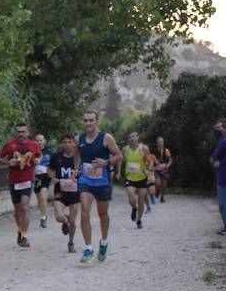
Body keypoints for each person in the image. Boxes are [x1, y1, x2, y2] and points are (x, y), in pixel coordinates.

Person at [77, 110, 122, 263]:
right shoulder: (80, 139)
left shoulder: (106, 138)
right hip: (85, 181)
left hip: (102, 182)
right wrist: (77, 168)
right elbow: (78, 155)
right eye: (85, 120)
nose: (88, 123)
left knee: (103, 214)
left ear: (97, 121)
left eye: (91, 120)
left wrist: (106, 163)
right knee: (84, 211)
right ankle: (88, 248)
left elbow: (119, 155)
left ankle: (103, 242)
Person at [0, 121, 42, 247]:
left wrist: (38, 160)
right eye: (19, 132)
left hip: (27, 179)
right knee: (17, 209)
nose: (21, 134)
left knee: (24, 207)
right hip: (14, 180)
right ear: (16, 133)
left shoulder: (33, 144)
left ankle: (24, 235)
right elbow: (0, 159)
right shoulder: (10, 145)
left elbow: (39, 155)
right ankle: (20, 230)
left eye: (23, 132)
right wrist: (8, 162)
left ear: (28, 132)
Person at [47, 134, 80, 253]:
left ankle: (71, 242)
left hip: (75, 192)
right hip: (60, 191)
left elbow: (86, 172)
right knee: (59, 217)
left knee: (73, 221)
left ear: (74, 144)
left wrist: (79, 178)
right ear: (62, 144)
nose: (67, 145)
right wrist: (53, 178)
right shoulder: (56, 157)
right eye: (65, 142)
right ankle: (65, 221)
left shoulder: (79, 158)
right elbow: (49, 170)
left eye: (70, 142)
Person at [121, 131, 150, 229]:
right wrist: (117, 171)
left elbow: (150, 161)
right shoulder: (125, 149)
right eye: (130, 137)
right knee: (131, 199)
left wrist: (148, 169)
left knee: (141, 201)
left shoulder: (144, 148)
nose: (132, 139)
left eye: (133, 136)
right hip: (130, 178)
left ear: (138, 137)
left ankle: (139, 220)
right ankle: (134, 208)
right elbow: (121, 160)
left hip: (142, 178)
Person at [33, 133, 54, 228]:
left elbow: (54, 165)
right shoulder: (32, 152)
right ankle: (43, 213)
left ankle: (44, 217)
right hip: (36, 178)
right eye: (37, 140)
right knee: (39, 199)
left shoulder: (49, 152)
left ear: (44, 141)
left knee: (43, 196)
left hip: (46, 177)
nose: (39, 142)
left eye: (41, 140)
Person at [152, 137, 172, 203]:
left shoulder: (166, 151)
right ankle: (157, 191)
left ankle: (162, 197)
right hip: (157, 169)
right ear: (157, 143)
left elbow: (170, 160)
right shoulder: (154, 151)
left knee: (164, 185)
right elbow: (150, 160)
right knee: (157, 183)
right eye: (159, 142)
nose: (161, 143)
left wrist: (168, 165)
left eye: (162, 142)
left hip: (164, 169)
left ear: (163, 143)